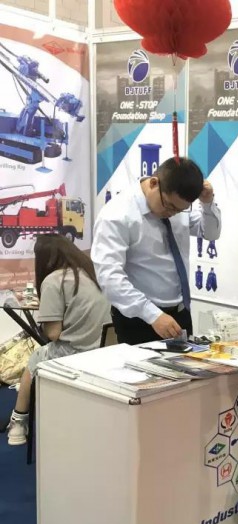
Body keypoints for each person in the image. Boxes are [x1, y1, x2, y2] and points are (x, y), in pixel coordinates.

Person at [91, 157, 220, 345]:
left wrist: (207, 203)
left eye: (180, 210)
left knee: (187, 364)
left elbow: (210, 233)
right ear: (153, 183)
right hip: (139, 319)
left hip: (180, 314)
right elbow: (109, 277)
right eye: (169, 206)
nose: (172, 213)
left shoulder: (176, 206)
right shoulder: (117, 215)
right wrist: (152, 315)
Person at [6, 235, 110, 446]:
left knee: (34, 359)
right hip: (104, 351)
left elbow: (52, 334)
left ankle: (18, 423)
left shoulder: (54, 280)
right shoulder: (93, 274)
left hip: (75, 355)